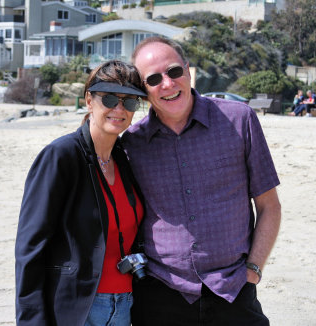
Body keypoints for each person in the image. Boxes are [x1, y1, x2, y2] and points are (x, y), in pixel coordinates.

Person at [122, 36, 281, 326]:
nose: (168, 84)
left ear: (187, 69)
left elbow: (269, 206)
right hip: (160, 294)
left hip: (233, 289)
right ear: (143, 90)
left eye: (173, 71)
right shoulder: (132, 144)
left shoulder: (240, 120)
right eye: (154, 79)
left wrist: (254, 269)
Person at [15, 60, 147, 326]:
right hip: (77, 309)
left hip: (125, 306)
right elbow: (30, 248)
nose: (119, 109)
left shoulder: (127, 158)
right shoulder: (60, 156)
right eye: (109, 98)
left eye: (130, 102)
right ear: (89, 100)